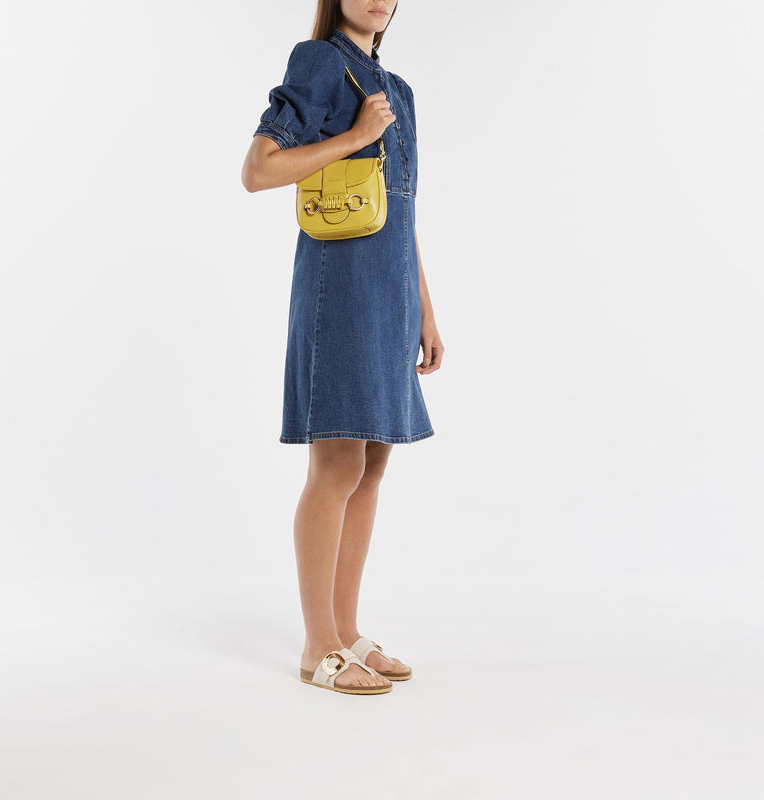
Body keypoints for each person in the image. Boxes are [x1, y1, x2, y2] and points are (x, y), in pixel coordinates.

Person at [241, 0, 444, 695]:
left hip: (390, 294)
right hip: (341, 288)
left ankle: (347, 631)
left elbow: (401, 209)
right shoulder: (320, 61)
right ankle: (317, 645)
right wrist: (356, 135)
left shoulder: (398, 89)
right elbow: (259, 168)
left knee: (373, 464)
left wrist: (424, 309)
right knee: (337, 464)